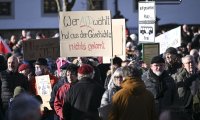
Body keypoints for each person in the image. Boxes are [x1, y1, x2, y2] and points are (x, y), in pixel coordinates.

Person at [173, 55, 199, 119]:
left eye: (192, 62)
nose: (191, 64)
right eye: (188, 63)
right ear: (183, 65)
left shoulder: (198, 75)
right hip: (184, 109)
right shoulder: (178, 77)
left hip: (197, 109)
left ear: (195, 63)